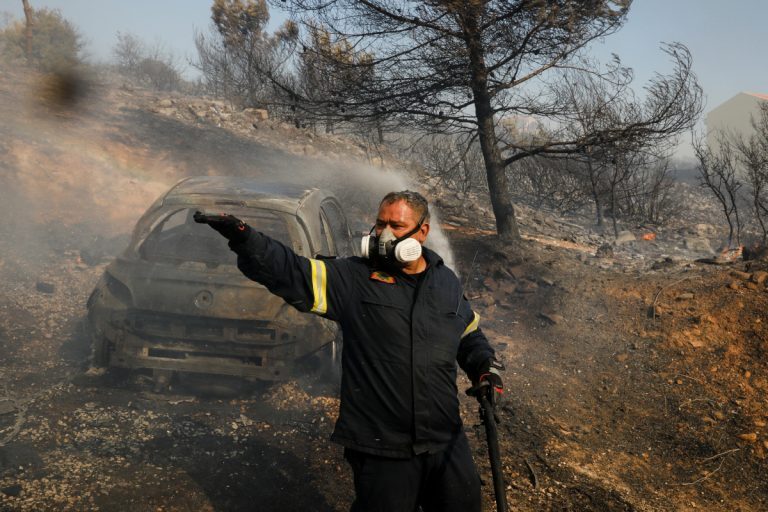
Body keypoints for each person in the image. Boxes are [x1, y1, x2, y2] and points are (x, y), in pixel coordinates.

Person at [195, 190, 504, 512]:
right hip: (382, 444)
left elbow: (468, 332)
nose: (384, 234)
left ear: (422, 232)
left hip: (445, 437)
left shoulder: (446, 282)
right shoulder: (353, 278)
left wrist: (485, 366)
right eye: (380, 223)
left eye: (396, 226)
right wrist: (245, 239)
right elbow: (289, 270)